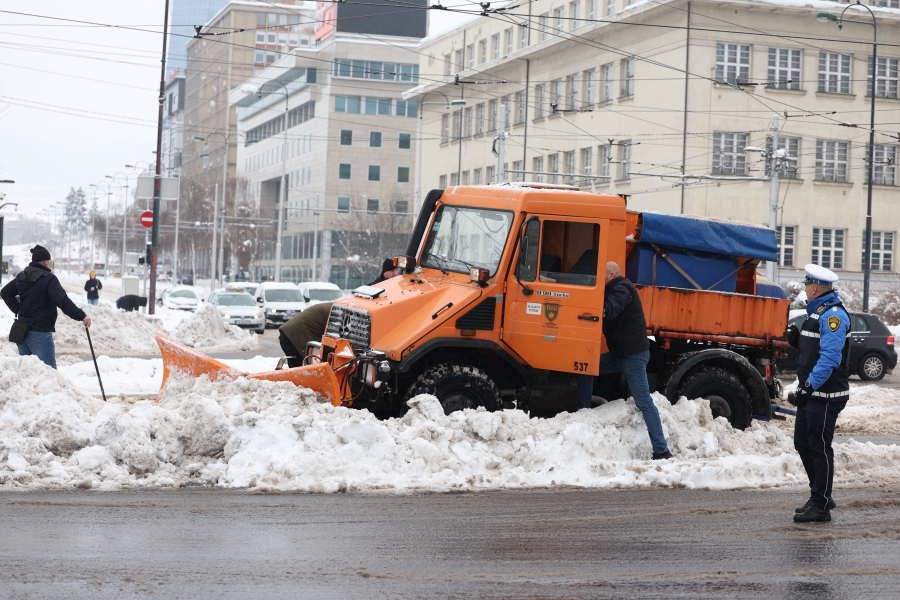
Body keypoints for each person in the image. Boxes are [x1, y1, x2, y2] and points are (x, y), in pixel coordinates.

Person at [576, 261, 673, 460]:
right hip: (619, 355)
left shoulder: (622, 289)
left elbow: (610, 310)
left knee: (644, 401)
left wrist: (592, 309)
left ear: (611, 275)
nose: (597, 279)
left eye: (600, 275)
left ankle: (662, 450)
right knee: (586, 368)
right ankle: (582, 416)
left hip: (633, 356)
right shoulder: (612, 290)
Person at [789, 264, 850, 524]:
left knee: (819, 447)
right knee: (802, 443)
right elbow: (813, 349)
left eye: (806, 285)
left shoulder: (833, 315)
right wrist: (795, 338)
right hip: (812, 394)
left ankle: (821, 504)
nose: (804, 289)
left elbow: (830, 358)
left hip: (825, 395)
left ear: (814, 288)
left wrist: (808, 387)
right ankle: (821, 494)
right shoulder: (817, 313)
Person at [0, 245, 92, 369]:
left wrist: (18, 308)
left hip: (22, 332)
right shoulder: (48, 279)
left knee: (27, 375)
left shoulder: (22, 276)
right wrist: (81, 316)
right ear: (46, 261)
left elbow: (5, 292)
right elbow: (63, 301)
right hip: (40, 333)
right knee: (49, 374)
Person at [279, 301, 333, 368]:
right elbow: (334, 341)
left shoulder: (335, 307)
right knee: (308, 370)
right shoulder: (339, 312)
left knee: (296, 371)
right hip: (297, 336)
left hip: (286, 334)